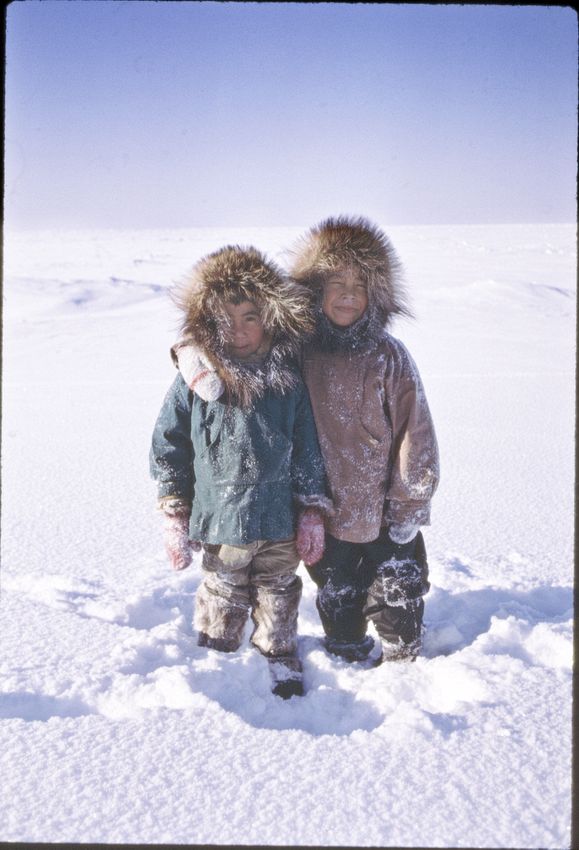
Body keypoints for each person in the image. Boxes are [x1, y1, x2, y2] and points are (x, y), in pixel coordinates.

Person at [171, 217, 440, 664]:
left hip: (384, 509)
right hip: (320, 510)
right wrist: (189, 352)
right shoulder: (299, 348)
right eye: (336, 282)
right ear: (315, 290)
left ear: (378, 294)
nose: (349, 294)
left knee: (400, 590)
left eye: (360, 283)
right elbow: (234, 343)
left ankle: (404, 665)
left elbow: (417, 431)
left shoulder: (388, 355)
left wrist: (410, 504)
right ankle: (347, 651)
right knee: (338, 598)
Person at [150, 245, 331, 698]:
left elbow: (308, 445)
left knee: (278, 588)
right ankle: (218, 655)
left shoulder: (287, 379)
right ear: (208, 321)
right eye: (226, 318)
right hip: (221, 518)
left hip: (277, 518)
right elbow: (169, 442)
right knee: (223, 590)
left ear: (270, 317)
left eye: (250, 316)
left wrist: (311, 507)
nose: (238, 329)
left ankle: (278, 653)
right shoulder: (195, 379)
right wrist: (175, 509)